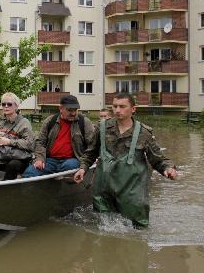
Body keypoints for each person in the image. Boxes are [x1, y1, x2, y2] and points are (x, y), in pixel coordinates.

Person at [73, 92, 177, 227]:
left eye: (122, 106)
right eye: (114, 106)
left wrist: (168, 169)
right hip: (104, 191)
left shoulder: (143, 132)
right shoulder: (101, 128)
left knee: (137, 229)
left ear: (133, 109)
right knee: (104, 227)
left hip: (132, 192)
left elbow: (157, 159)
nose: (117, 110)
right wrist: (82, 168)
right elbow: (90, 153)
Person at [23, 94, 94, 177]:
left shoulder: (84, 122)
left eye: (75, 110)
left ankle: (58, 183)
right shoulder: (50, 120)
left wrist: (86, 163)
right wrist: (39, 158)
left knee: (69, 166)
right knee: (30, 172)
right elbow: (40, 142)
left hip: (73, 159)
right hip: (50, 160)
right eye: (70, 110)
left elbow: (92, 145)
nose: (73, 113)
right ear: (60, 108)